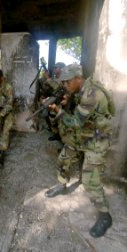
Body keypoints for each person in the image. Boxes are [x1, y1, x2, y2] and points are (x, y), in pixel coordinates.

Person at [45, 63, 115, 238]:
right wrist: (68, 101)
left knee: (91, 180)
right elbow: (79, 113)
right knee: (64, 157)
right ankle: (62, 184)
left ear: (78, 78)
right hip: (85, 133)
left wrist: (59, 111)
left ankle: (105, 215)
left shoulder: (92, 94)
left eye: (67, 82)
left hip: (97, 138)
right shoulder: (81, 90)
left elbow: (75, 122)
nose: (65, 86)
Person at [39, 62, 66, 140]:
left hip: (61, 103)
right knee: (51, 117)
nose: (54, 69)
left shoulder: (64, 79)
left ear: (61, 69)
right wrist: (46, 81)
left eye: (56, 68)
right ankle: (55, 132)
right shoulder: (53, 79)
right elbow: (46, 89)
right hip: (52, 100)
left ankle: (60, 134)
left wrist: (48, 79)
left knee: (59, 119)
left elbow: (57, 87)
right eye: (54, 67)